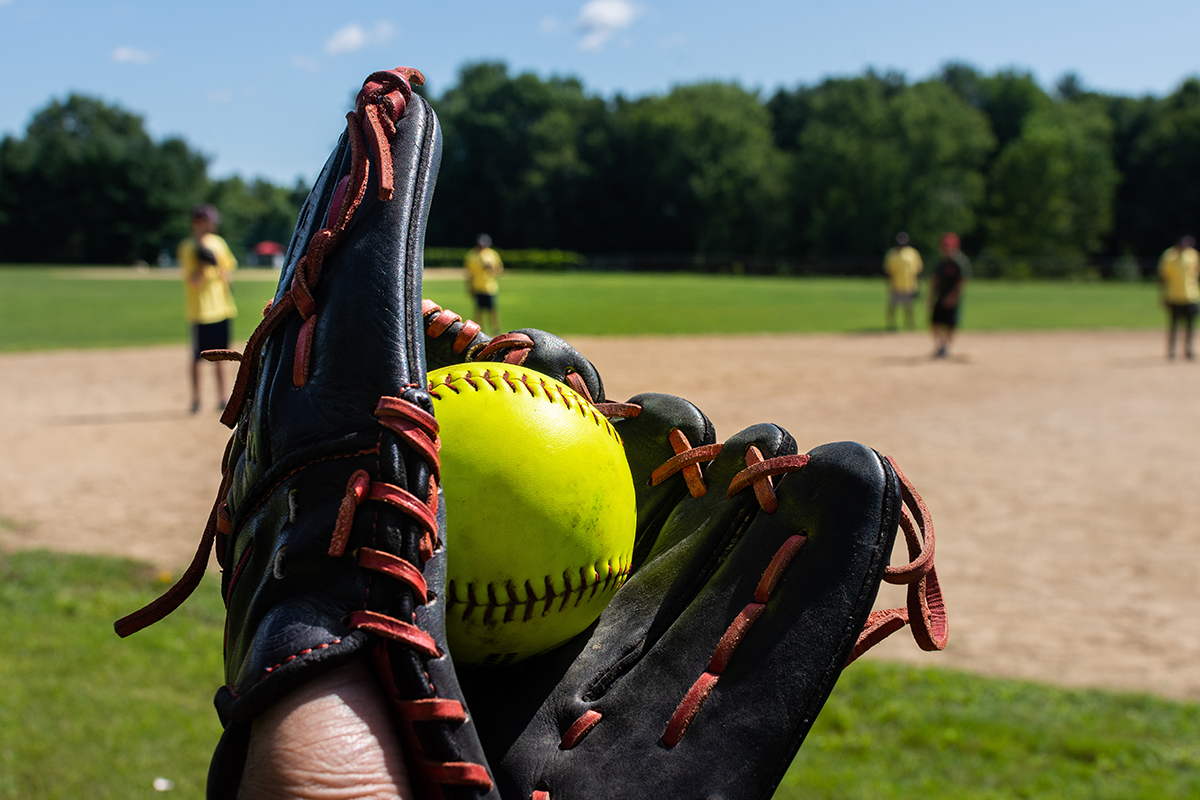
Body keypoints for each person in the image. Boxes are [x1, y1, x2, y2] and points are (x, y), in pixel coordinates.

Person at [178, 203, 237, 412]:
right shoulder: (188, 247)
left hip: (222, 308)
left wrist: (216, 264)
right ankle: (196, 399)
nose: (212, 225)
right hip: (200, 311)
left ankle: (223, 398)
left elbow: (227, 274)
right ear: (198, 222)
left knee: (221, 355)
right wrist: (202, 263)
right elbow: (192, 282)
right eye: (209, 221)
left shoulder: (218, 244)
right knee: (197, 357)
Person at [1157, 234, 1200, 361]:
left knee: (1191, 326)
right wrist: (1163, 295)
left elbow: (1196, 273)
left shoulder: (1193, 255)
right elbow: (1163, 277)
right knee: (1173, 326)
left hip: (1191, 296)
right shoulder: (1169, 256)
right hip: (1174, 296)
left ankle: (1188, 350)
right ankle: (1171, 351)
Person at [928, 232, 970, 358]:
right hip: (940, 297)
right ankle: (940, 346)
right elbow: (934, 280)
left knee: (950, 324)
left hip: (953, 299)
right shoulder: (941, 263)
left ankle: (946, 347)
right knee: (934, 322)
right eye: (945, 247)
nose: (946, 249)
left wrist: (953, 297)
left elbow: (962, 281)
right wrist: (931, 297)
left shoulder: (959, 262)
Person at [463, 233, 504, 335]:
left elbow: (499, 270)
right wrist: (469, 288)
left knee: (492, 311)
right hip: (478, 287)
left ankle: (496, 329)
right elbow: (469, 274)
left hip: (489, 287)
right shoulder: (471, 255)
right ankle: (480, 330)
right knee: (479, 311)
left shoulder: (492, 254)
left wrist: (491, 268)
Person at [883, 232, 923, 330]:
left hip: (909, 285)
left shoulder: (913, 253)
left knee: (909, 307)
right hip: (896, 285)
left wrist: (917, 285)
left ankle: (909, 325)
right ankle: (891, 325)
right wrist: (890, 284)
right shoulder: (892, 254)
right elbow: (888, 271)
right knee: (893, 306)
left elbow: (917, 270)